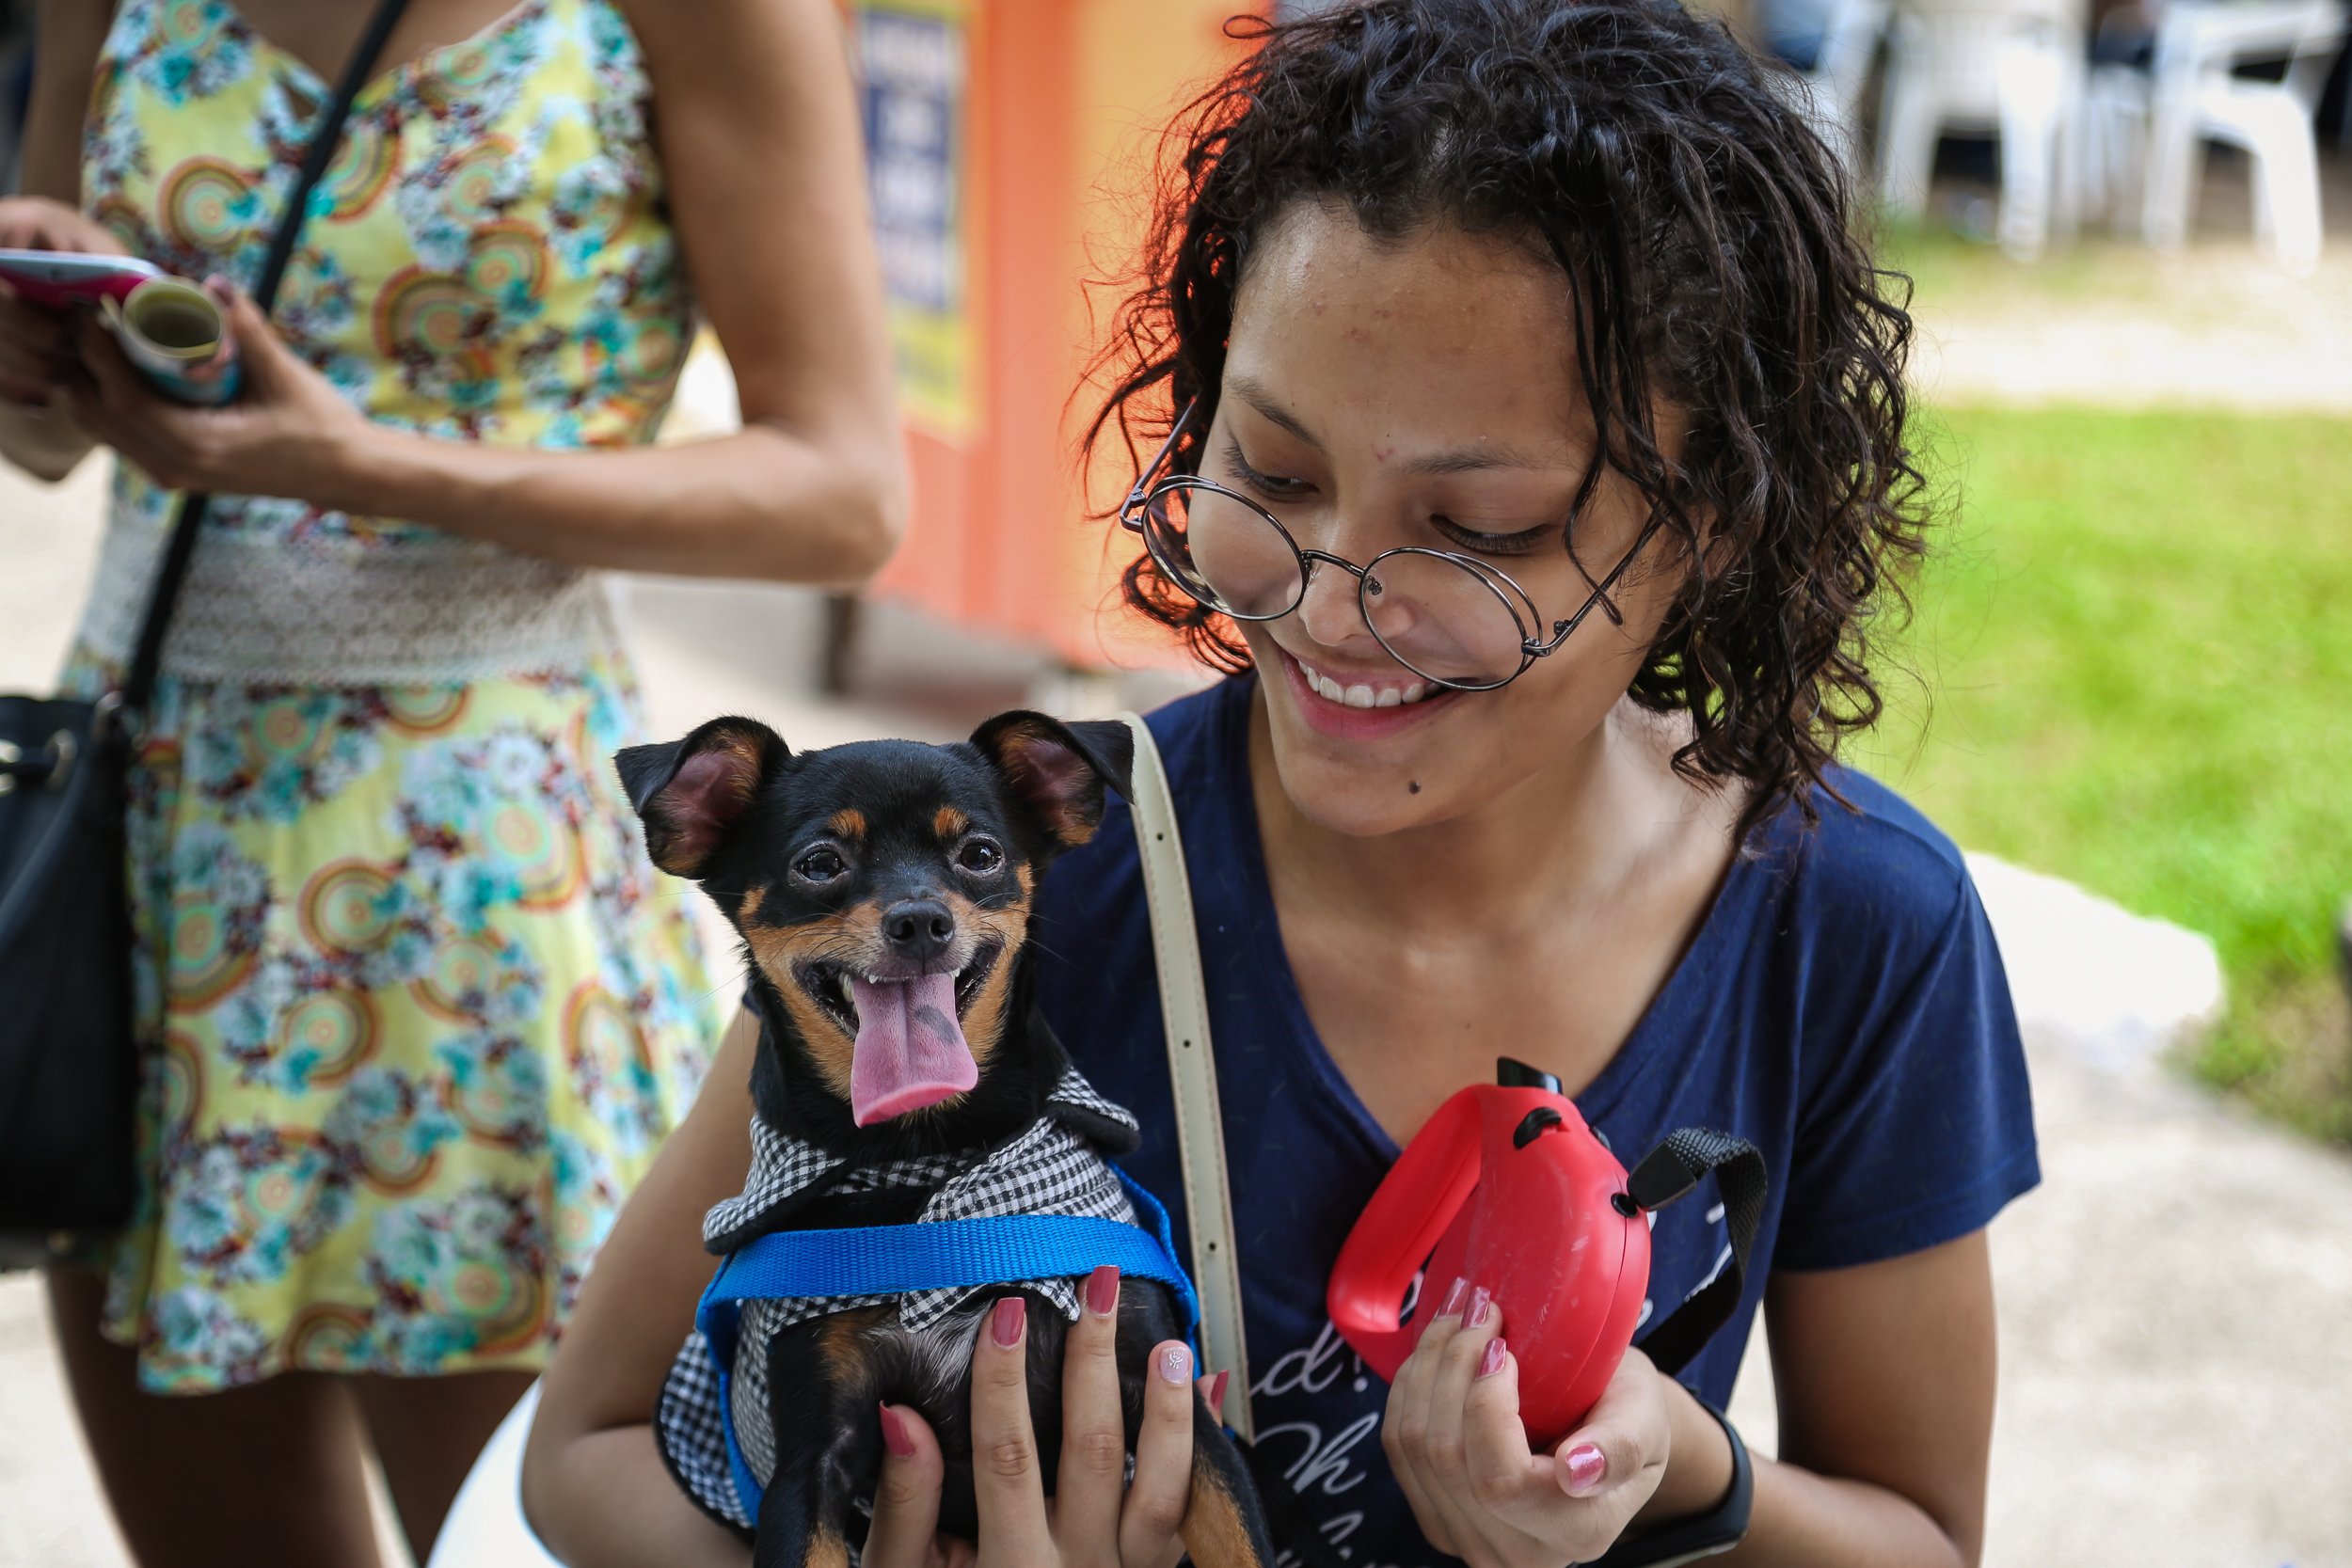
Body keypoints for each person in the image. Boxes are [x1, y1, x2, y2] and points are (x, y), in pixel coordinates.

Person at [523, 2, 2037, 1564]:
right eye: (1276, 471)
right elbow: (589, 1446)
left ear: (1717, 521)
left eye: (1481, 527)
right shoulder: (1014, 884)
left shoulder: (1849, 923)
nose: (1328, 601)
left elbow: (1918, 1533)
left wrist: (1686, 1474)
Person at [0, 0, 902, 1560]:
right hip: (153, 847)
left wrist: (356, 468)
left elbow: (842, 490)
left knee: (530, 1533)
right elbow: (46, 451)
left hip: (479, 878)